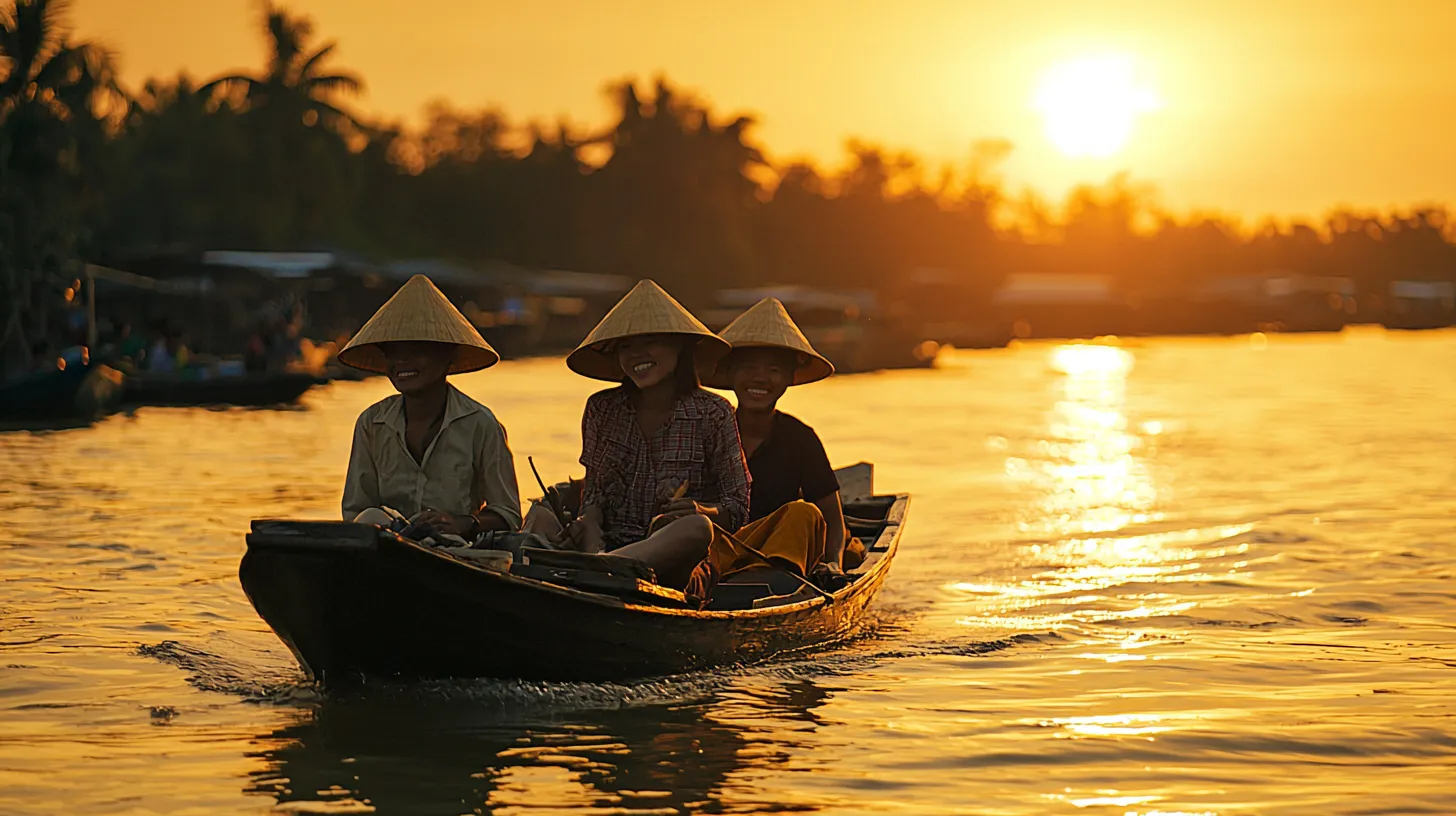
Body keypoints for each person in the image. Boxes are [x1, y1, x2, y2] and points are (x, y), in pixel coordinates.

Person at [522, 279, 746, 596]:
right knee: (540, 515)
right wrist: (589, 529)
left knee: (697, 528)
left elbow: (737, 507)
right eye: (626, 346)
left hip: (675, 566)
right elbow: (594, 497)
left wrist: (701, 509)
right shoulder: (602, 408)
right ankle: (595, 566)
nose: (636, 354)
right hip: (604, 549)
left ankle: (598, 569)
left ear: (679, 346)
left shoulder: (714, 412)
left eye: (650, 341)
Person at [337, 275, 522, 540]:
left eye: (416, 351)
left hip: (456, 552)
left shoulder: (480, 424)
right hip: (387, 550)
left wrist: (461, 523)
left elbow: (509, 516)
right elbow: (356, 513)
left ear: (446, 356)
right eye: (393, 352)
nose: (403, 362)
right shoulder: (371, 423)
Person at [705, 297, 866, 585]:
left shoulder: (799, 438)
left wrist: (833, 563)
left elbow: (832, 519)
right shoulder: (707, 431)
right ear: (730, 373)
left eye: (774, 370)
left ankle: (774, 579)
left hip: (780, 556)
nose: (760, 378)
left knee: (804, 512)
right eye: (749, 368)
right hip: (719, 553)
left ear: (789, 378)